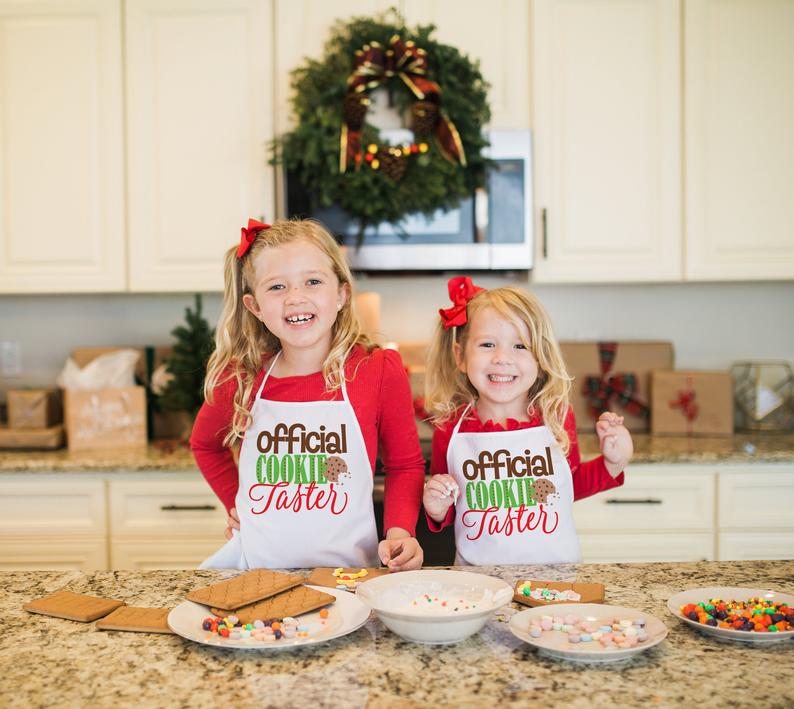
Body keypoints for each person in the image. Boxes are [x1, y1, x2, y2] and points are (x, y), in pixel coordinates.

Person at [190, 218, 425, 570]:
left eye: (312, 281)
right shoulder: (241, 376)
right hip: (259, 577)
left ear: (342, 294)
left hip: (350, 577)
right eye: (277, 287)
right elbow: (205, 444)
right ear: (255, 307)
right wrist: (236, 504)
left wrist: (399, 532)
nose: (295, 298)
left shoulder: (376, 370)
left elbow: (404, 464)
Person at [422, 277, 633, 565]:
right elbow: (448, 506)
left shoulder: (556, 416)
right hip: (477, 581)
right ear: (460, 355)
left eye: (520, 346)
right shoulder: (450, 428)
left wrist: (614, 462)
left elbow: (567, 488)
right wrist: (436, 507)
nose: (502, 358)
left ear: (540, 355)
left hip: (555, 575)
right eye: (487, 344)